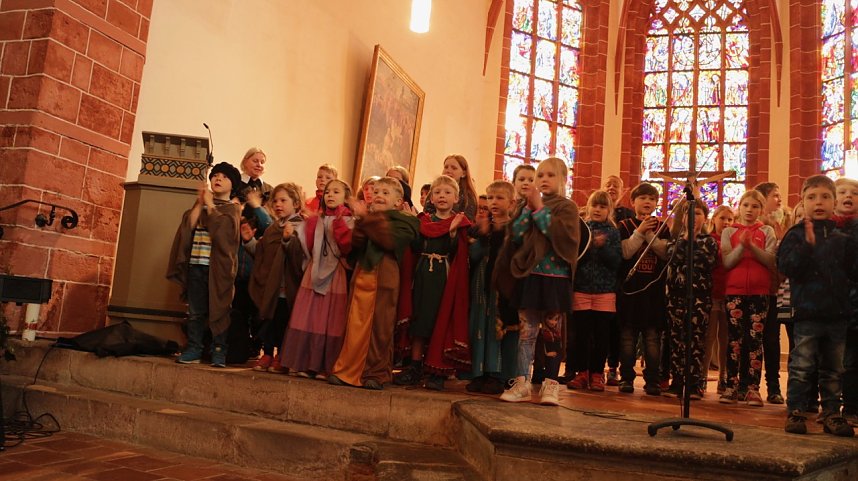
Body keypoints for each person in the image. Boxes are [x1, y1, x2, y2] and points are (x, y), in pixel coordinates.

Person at [779, 175, 857, 437]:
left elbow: (853, 270)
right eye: (811, 197)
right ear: (802, 201)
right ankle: (797, 412)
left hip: (837, 313)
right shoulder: (796, 234)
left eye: (825, 196)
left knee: (834, 369)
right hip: (808, 312)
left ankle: (832, 413)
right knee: (802, 365)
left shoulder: (844, 234)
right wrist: (807, 248)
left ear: (834, 201)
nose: (818, 202)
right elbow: (786, 267)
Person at [499, 157, 579, 406]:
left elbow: (562, 236)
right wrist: (528, 209)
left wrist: (539, 209)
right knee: (527, 333)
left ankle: (550, 385)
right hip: (530, 277)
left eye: (550, 175)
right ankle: (522, 382)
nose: (543, 179)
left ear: (564, 180)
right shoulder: (528, 205)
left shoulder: (567, 207)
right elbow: (519, 233)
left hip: (555, 279)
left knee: (552, 334)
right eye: (539, 175)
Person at [329, 177, 419, 389]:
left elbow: (388, 240)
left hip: (385, 278)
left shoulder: (406, 221)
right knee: (354, 323)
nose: (379, 195)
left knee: (380, 327)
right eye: (376, 192)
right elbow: (356, 245)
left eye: (386, 193)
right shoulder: (368, 218)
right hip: (363, 275)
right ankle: (347, 370)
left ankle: (376, 373)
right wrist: (361, 222)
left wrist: (366, 219)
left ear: (398, 201)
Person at [394, 175, 471, 390]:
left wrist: (454, 233)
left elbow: (459, 254)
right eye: (437, 192)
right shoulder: (424, 220)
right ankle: (415, 366)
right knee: (420, 321)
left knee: (439, 321)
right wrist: (412, 223)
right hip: (422, 276)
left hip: (443, 278)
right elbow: (416, 247)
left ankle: (435, 370)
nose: (442, 196)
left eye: (447, 192)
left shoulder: (460, 222)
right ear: (431, 197)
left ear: (456, 198)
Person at [167, 162, 241, 367]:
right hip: (196, 265)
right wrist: (200, 204)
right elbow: (187, 227)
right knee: (195, 311)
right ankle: (194, 348)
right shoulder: (202, 206)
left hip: (217, 269)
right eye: (215, 175)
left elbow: (223, 234)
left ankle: (219, 350)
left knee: (219, 310)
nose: (217, 179)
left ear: (232, 184)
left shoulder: (232, 209)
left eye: (224, 177)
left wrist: (210, 206)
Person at [281, 179, 354, 378]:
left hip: (334, 274)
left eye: (336, 192)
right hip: (313, 272)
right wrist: (308, 226)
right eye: (328, 191)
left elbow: (346, 246)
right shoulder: (316, 219)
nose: (330, 195)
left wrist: (338, 222)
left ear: (346, 198)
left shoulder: (349, 220)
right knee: (308, 316)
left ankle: (324, 365)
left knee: (329, 318)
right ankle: (302, 362)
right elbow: (309, 246)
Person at [719, 190, 777, 407]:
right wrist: (742, 245)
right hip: (734, 290)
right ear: (739, 207)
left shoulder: (767, 231)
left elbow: (771, 260)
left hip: (759, 292)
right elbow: (727, 262)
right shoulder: (729, 232)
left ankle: (752, 388)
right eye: (746, 205)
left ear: (761, 209)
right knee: (734, 340)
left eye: (755, 206)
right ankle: (731, 385)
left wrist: (751, 245)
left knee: (755, 340)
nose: (750, 210)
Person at [616, 183, 670, 396]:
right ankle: (626, 377)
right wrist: (640, 231)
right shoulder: (624, 225)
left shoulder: (664, 227)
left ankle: (653, 380)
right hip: (629, 292)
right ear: (633, 202)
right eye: (642, 198)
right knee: (627, 337)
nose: (647, 202)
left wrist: (649, 234)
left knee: (652, 339)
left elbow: (665, 253)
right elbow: (626, 252)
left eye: (652, 199)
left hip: (653, 294)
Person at [566, 191, 622, 392]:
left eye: (602, 206)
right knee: (580, 334)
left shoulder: (613, 232)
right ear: (588, 207)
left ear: (609, 210)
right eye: (594, 206)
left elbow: (616, 262)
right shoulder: (582, 228)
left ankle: (597, 374)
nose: (598, 210)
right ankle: (582, 373)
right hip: (581, 288)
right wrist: (589, 245)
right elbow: (574, 258)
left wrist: (602, 247)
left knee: (601, 335)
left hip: (604, 290)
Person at [467, 181, 519, 394]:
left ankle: (500, 376)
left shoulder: (515, 229)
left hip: (504, 288)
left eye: (499, 198)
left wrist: (494, 233)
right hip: (482, 285)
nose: (493, 202)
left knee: (502, 330)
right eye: (490, 198)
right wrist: (481, 236)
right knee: (481, 328)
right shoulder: (482, 227)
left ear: (512, 203)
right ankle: (481, 373)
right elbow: (473, 255)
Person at [247, 183, 306, 372]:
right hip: (270, 286)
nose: (278, 204)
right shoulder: (272, 228)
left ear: (296, 204)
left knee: (282, 321)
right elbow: (262, 255)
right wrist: (249, 242)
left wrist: (289, 240)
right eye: (275, 201)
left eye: (283, 200)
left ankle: (281, 355)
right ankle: (266, 354)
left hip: (286, 286)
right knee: (268, 321)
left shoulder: (301, 226)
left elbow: (301, 257)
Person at [662, 201, 718, 400]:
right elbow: (673, 258)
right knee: (676, 340)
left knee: (695, 341)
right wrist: (685, 240)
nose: (694, 217)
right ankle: (677, 382)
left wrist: (691, 245)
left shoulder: (709, 241)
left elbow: (704, 262)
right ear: (683, 218)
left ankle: (694, 384)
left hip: (699, 299)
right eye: (689, 213)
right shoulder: (675, 239)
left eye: (699, 213)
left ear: (705, 218)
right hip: (676, 297)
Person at [754, 182, 790, 404]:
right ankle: (751, 386)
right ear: (762, 199)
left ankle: (774, 387)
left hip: (777, 289)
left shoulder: (785, 223)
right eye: (775, 196)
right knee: (754, 339)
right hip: (756, 288)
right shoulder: (753, 225)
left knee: (772, 339)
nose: (779, 200)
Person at [701, 205, 734, 394]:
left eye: (730, 219)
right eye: (722, 218)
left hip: (729, 293)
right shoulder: (709, 240)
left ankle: (724, 376)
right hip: (712, 293)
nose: (726, 222)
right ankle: (702, 376)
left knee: (726, 339)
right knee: (709, 337)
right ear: (714, 219)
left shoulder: (734, 240)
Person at [833, 177, 858, 427]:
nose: (849, 196)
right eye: (842, 192)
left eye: (855, 192)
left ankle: (852, 406)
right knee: (842, 361)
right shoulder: (825, 228)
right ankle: (842, 407)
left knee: (852, 359)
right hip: (834, 305)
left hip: (854, 303)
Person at [423, 154, 478, 220]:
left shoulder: (468, 196)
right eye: (446, 167)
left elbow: (467, 219)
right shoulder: (434, 190)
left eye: (454, 168)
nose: (448, 171)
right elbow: (427, 212)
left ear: (463, 173)